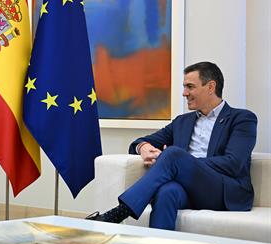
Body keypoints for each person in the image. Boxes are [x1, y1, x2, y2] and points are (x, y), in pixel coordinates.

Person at [86, 61, 257, 230]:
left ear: (211, 87)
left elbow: (234, 163)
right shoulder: (182, 122)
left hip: (223, 191)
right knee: (167, 192)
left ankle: (118, 213)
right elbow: (137, 143)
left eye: (190, 87)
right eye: (184, 87)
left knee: (174, 155)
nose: (184, 93)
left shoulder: (242, 119)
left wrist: (183, 162)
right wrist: (144, 147)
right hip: (189, 190)